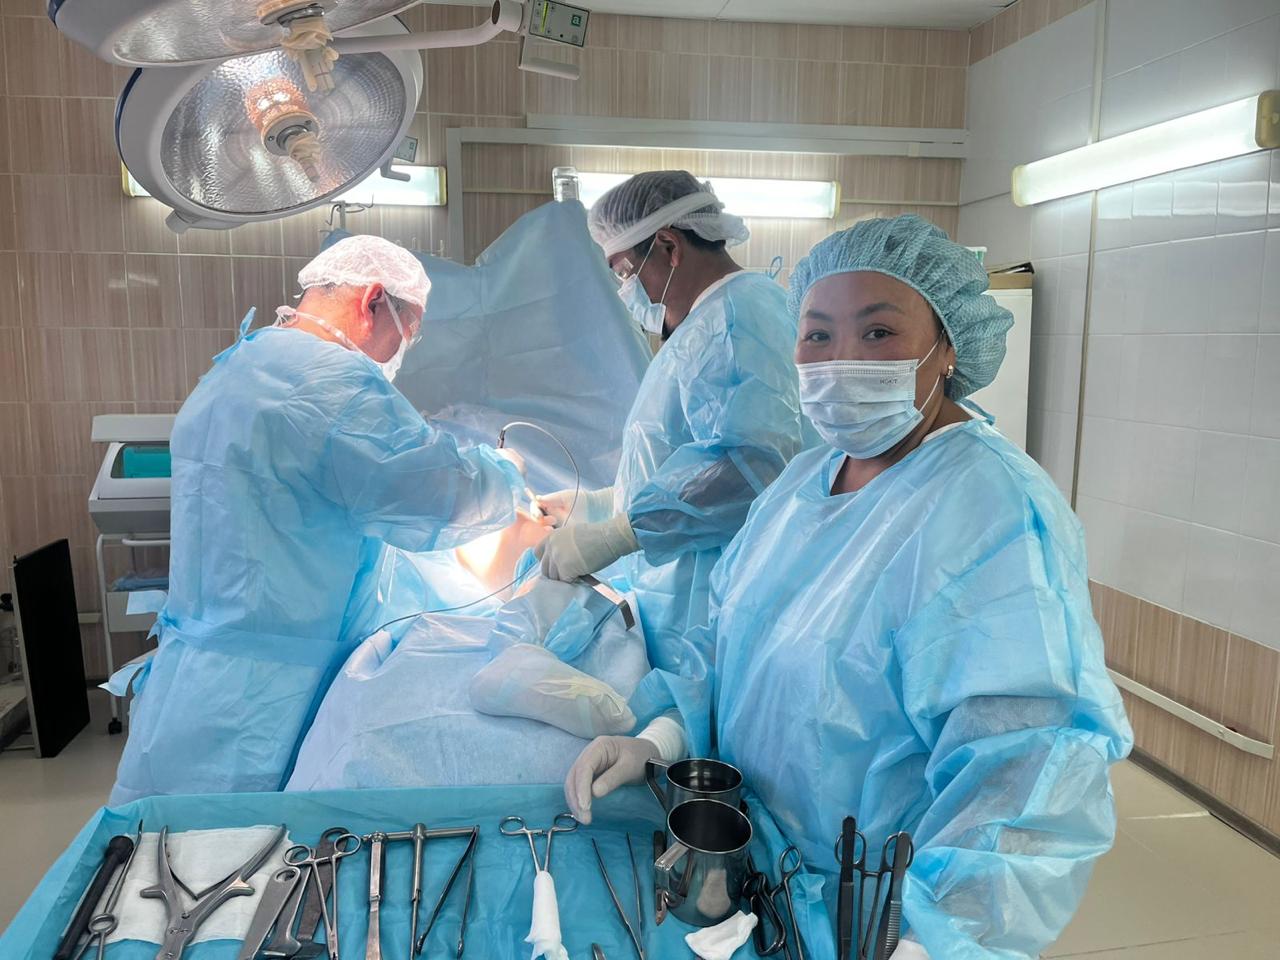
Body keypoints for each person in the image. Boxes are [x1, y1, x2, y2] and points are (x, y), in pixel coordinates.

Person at [564, 215, 1133, 958]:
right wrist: (658, 738)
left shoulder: (991, 509)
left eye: (878, 332)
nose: (841, 360)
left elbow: (1028, 772)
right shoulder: (804, 481)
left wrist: (933, 939)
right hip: (764, 877)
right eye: (817, 335)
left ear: (947, 347)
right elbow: (730, 648)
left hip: (877, 911)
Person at [109, 235, 526, 803]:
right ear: (373, 301)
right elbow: (439, 495)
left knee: (168, 830)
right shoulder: (334, 386)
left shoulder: (239, 364)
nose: (401, 350)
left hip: (194, 680)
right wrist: (505, 474)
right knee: (255, 841)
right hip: (267, 697)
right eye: (408, 330)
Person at [535, 171, 808, 773]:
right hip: (684, 583)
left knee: (705, 744)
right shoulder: (705, 325)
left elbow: (750, 467)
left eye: (622, 270)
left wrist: (621, 532)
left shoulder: (735, 319)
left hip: (714, 589)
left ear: (668, 246)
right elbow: (684, 457)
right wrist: (598, 506)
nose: (624, 289)